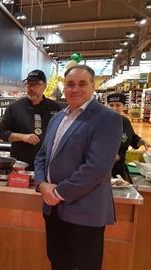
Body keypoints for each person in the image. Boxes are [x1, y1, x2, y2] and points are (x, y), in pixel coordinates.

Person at [34, 65, 122, 270]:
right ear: (64, 88)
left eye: (82, 84)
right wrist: (41, 184)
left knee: (85, 265)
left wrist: (56, 191)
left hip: (85, 211)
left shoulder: (107, 119)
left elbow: (96, 167)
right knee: (57, 262)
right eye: (70, 84)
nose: (75, 89)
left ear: (93, 86)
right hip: (53, 210)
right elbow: (42, 156)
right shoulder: (57, 118)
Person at [0, 69, 61, 170]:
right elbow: (2, 133)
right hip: (20, 165)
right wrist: (23, 137)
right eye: (28, 84)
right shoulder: (14, 107)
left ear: (45, 86)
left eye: (36, 84)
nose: (31, 88)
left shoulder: (55, 108)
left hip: (48, 164)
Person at [107, 93, 151, 182]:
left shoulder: (125, 121)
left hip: (119, 169)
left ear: (123, 106)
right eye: (111, 105)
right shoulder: (100, 123)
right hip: (102, 170)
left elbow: (131, 137)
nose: (114, 108)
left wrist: (142, 141)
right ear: (106, 106)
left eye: (118, 105)